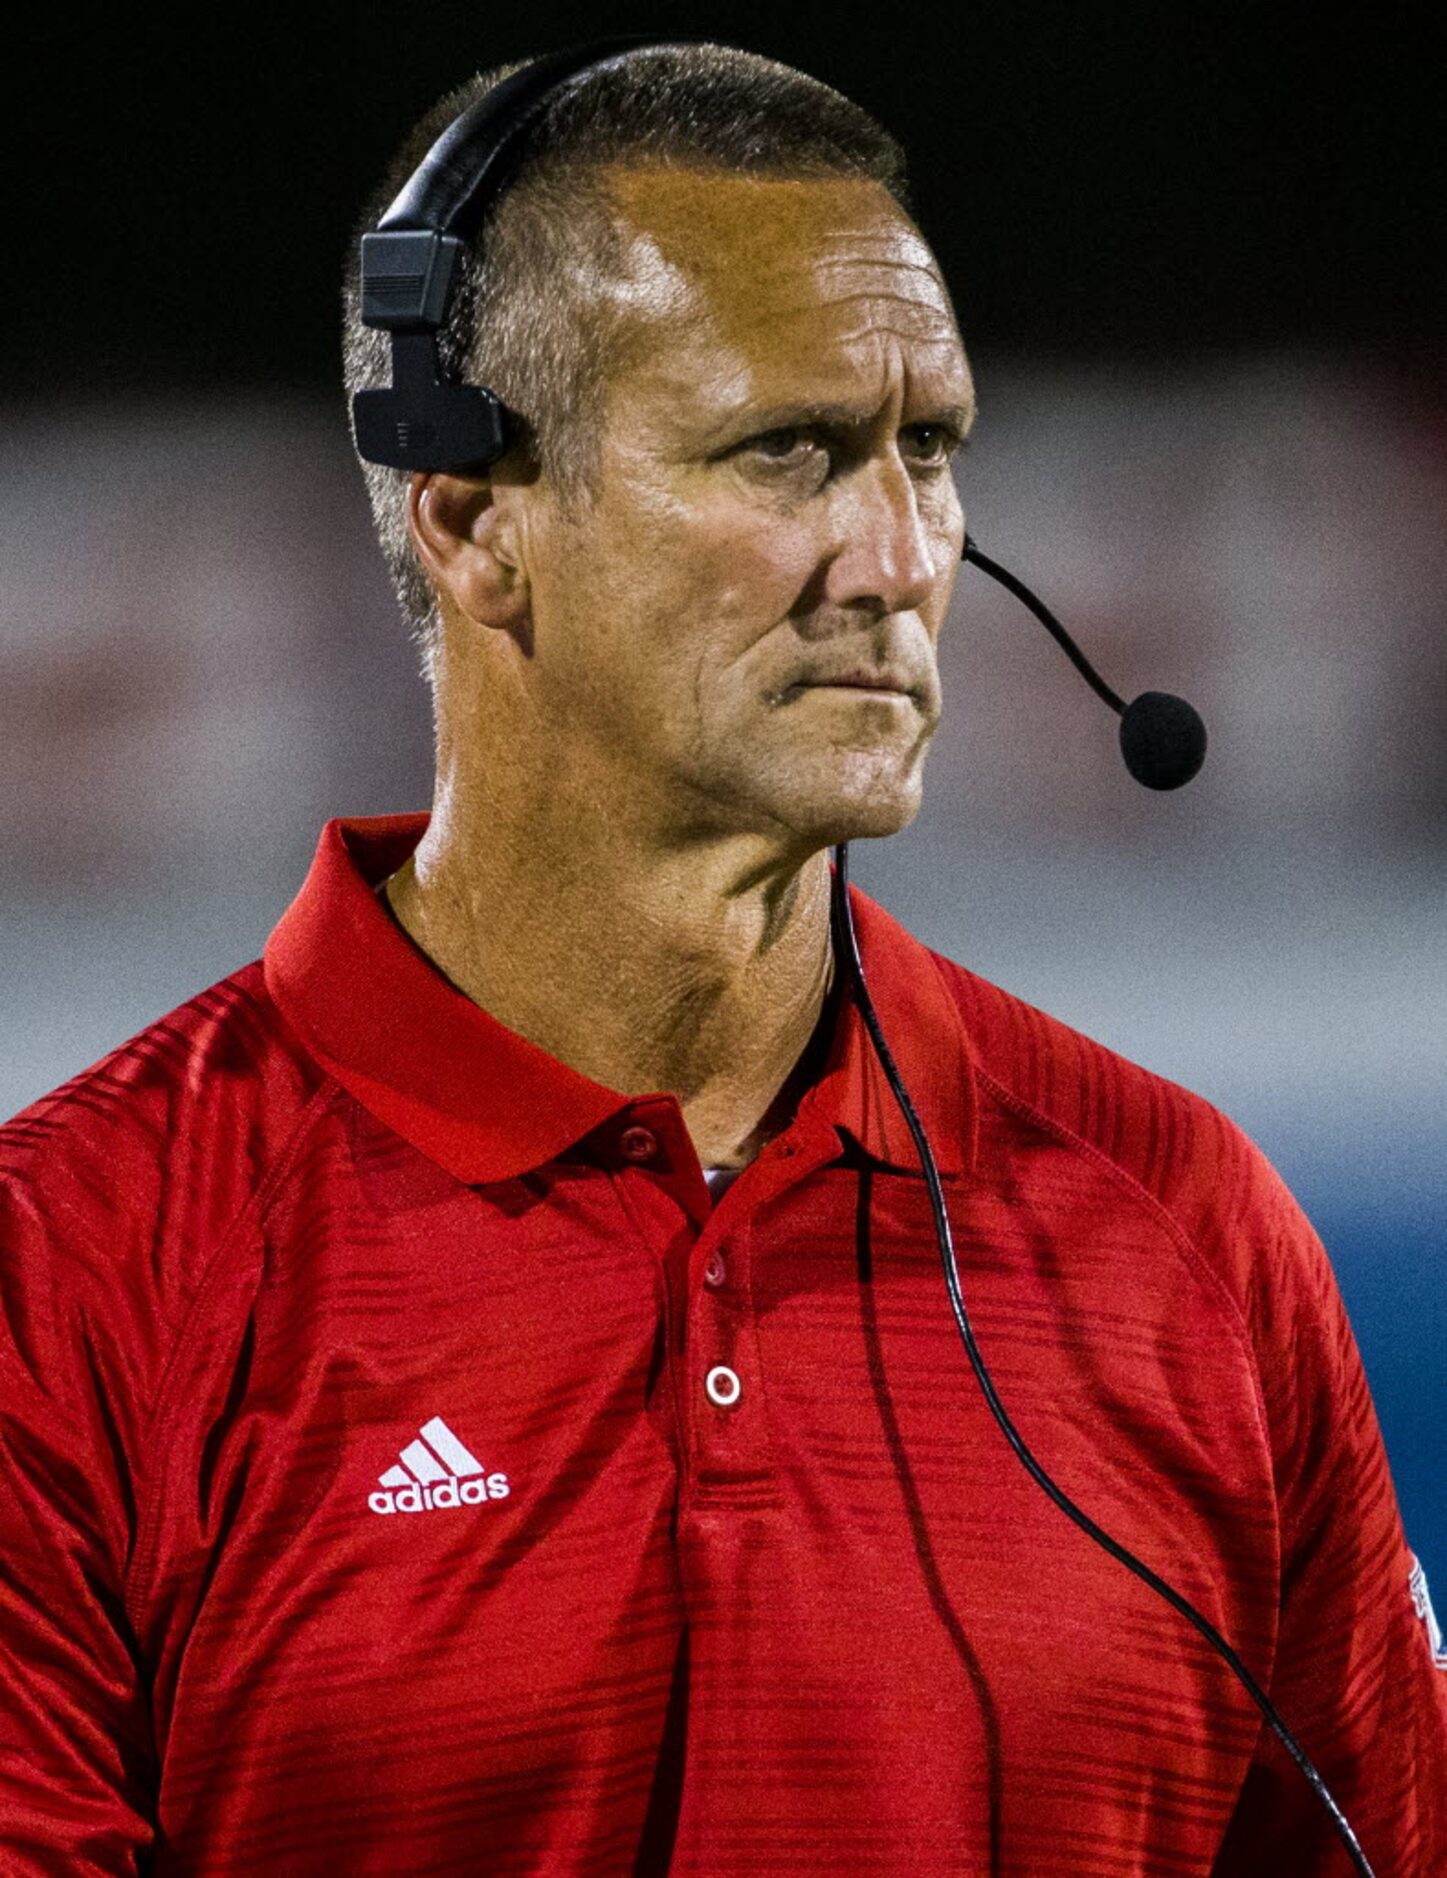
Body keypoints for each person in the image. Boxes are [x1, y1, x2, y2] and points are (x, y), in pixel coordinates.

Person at [1, 42, 1442, 1878]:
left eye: (930, 448)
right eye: (790, 450)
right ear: (472, 519)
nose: (900, 558)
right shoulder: (72, 1276)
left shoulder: (1187, 1235)